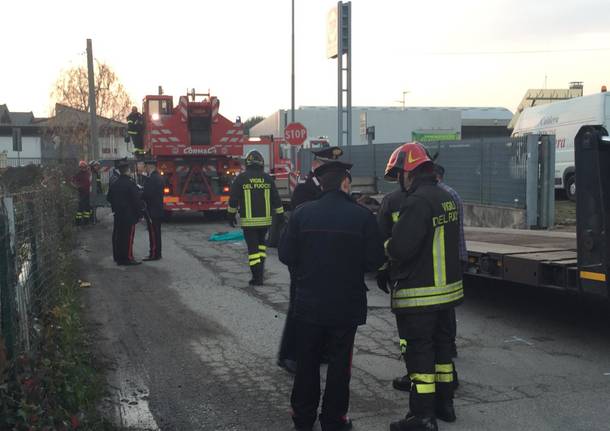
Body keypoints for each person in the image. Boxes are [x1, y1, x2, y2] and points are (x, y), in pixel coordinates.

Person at [279, 161, 385, 431]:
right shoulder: (362, 216)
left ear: (322, 185)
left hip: (308, 305)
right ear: (345, 184)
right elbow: (374, 261)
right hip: (345, 307)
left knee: (307, 364)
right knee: (340, 367)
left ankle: (302, 419)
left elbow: (286, 255)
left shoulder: (302, 214)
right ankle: (334, 420)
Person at [384, 142, 464, 431]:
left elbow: (401, 248)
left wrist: (386, 245)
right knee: (443, 354)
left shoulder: (417, 201)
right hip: (446, 293)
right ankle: (445, 406)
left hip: (420, 294)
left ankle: (422, 417)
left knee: (420, 358)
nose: (399, 182)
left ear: (409, 172)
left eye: (399, 175)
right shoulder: (446, 197)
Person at [277, 146, 344, 374]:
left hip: (325, 260)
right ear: (316, 167)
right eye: (326, 166)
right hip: (304, 262)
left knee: (323, 308)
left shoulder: (332, 191)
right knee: (299, 308)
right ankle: (289, 355)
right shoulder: (304, 191)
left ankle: (321, 351)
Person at [227, 150, 284, 286]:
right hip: (265, 222)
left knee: (253, 251)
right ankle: (260, 274)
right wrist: (281, 216)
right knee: (261, 248)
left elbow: (233, 199)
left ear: (247, 163)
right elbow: (276, 199)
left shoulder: (241, 178)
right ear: (261, 163)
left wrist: (231, 215)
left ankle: (256, 278)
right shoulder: (268, 178)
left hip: (249, 223)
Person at [376, 185, 412, 392]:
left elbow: (381, 237)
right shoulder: (443, 196)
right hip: (440, 279)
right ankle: (447, 379)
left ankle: (413, 373)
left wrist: (382, 269)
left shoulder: (392, 200)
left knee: (409, 332)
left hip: (404, 276)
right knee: (439, 333)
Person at [434, 164, 467, 361]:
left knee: (443, 306)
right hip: (457, 255)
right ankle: (449, 344)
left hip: (445, 257)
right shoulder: (453, 193)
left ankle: (446, 344)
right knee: (448, 305)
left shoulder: (439, 196)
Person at [107, 159, 143, 266]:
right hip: (129, 215)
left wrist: (116, 206)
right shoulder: (131, 184)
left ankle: (119, 258)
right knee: (128, 238)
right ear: (128, 171)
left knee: (119, 237)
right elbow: (136, 200)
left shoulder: (115, 183)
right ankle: (128, 258)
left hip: (118, 215)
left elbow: (109, 197)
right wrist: (139, 214)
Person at [142, 160, 164, 261]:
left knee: (153, 233)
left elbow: (148, 194)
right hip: (156, 208)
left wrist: (140, 194)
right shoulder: (158, 177)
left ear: (150, 166)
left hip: (152, 209)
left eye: (145, 166)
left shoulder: (152, 178)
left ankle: (154, 254)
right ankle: (157, 253)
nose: (144, 168)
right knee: (156, 232)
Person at [72, 161, 92, 225]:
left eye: (84, 167)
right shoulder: (78, 174)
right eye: (82, 167)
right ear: (80, 167)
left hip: (88, 193)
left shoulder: (88, 173)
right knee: (80, 208)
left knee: (87, 208)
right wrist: (77, 187)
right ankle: (78, 222)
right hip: (81, 193)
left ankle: (86, 221)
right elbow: (72, 181)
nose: (83, 168)